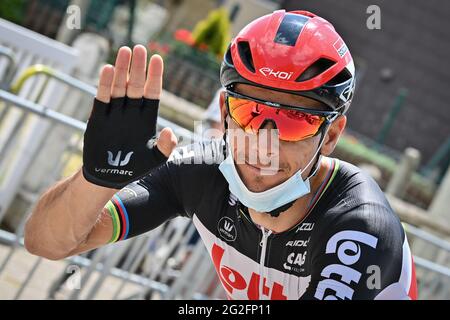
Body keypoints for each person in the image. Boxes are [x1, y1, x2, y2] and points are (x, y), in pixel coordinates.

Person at [24, 10, 417, 300]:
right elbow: (47, 243)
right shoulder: (200, 170)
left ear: (330, 135)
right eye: (250, 113)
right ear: (223, 113)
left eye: (295, 120)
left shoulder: (359, 226)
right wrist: (95, 180)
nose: (265, 142)